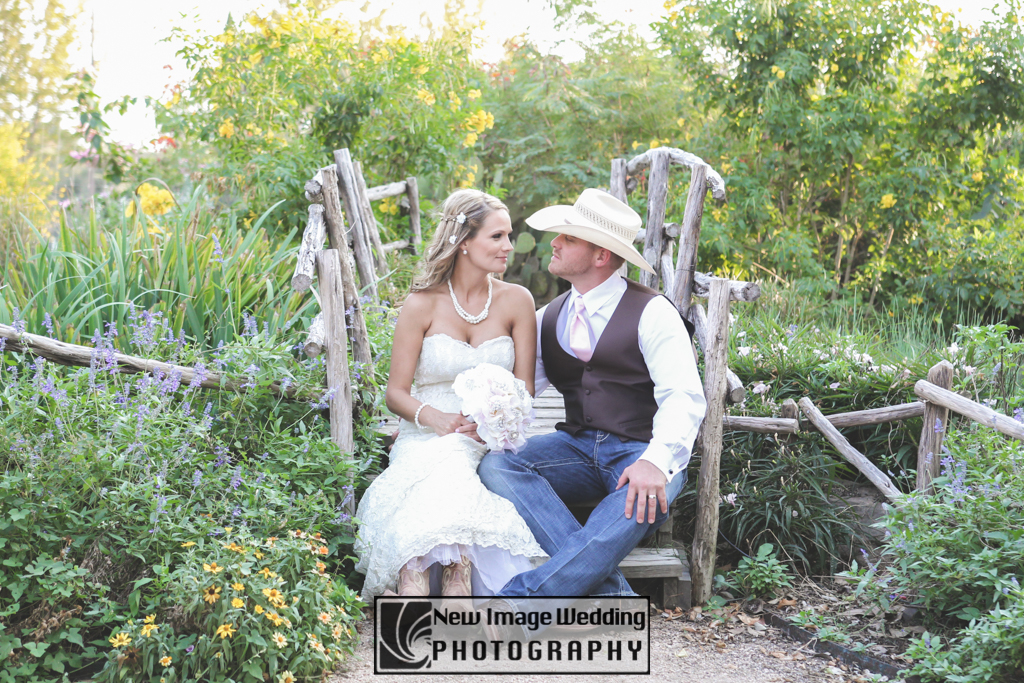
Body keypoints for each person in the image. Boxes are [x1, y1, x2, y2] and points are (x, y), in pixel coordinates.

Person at [478, 188, 706, 602]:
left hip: (641, 450)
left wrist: (655, 462)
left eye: (568, 238)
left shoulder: (654, 312)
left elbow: (684, 397)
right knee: (499, 466)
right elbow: (518, 393)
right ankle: (615, 598)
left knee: (637, 499)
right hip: (575, 448)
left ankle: (520, 603)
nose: (555, 243)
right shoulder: (548, 317)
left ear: (601, 256)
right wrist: (467, 419)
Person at [354, 189, 547, 602]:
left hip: (485, 435)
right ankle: (450, 575)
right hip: (425, 431)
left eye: (509, 235)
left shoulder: (518, 301)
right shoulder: (421, 304)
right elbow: (395, 394)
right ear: (464, 243)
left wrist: (490, 424)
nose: (508, 245)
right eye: (497, 236)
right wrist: (436, 419)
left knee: (457, 455)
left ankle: (416, 579)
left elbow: (524, 389)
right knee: (444, 456)